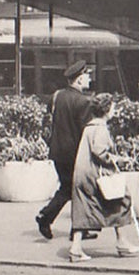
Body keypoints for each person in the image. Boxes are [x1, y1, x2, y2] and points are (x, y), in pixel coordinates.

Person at [67, 93, 139, 262]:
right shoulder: (101, 128)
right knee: (121, 200)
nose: (114, 110)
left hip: (82, 174)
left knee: (83, 210)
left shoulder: (89, 127)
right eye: (113, 107)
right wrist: (118, 159)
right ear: (107, 110)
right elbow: (99, 151)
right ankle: (122, 242)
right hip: (95, 174)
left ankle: (76, 248)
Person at [36, 60, 93, 240]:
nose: (90, 79)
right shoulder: (83, 101)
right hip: (74, 154)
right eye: (87, 76)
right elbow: (85, 130)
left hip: (58, 151)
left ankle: (75, 229)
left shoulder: (57, 96)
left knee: (70, 189)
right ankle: (48, 217)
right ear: (78, 80)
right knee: (74, 190)